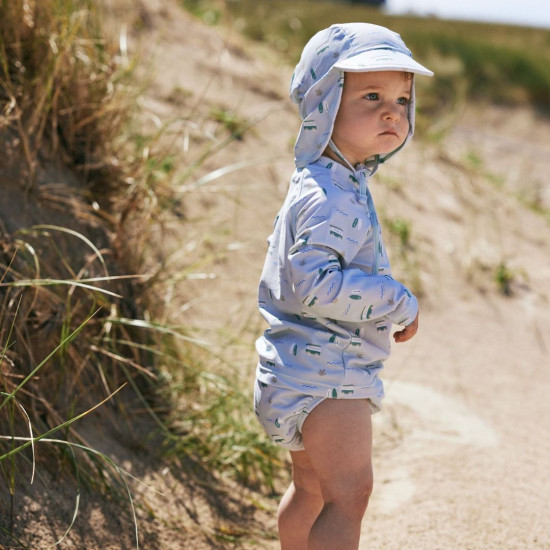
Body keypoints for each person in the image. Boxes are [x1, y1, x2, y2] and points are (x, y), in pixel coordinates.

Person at [254, 22, 433, 549]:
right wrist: (396, 299)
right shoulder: (333, 195)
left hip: (292, 367)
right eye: (371, 96)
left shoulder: (323, 178)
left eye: (402, 99)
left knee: (310, 491)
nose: (391, 112)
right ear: (325, 105)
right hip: (327, 373)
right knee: (349, 494)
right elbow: (314, 284)